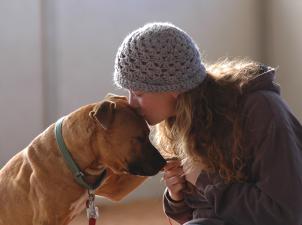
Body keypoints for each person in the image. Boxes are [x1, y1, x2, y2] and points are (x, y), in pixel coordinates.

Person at [112, 22, 302, 225]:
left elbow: (287, 212)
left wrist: (207, 182)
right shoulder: (182, 119)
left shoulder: (261, 109)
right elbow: (203, 213)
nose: (131, 103)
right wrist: (177, 198)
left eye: (138, 93)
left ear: (174, 88)